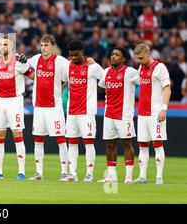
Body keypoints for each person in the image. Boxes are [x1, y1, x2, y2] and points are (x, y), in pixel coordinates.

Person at [0, 34, 33, 180]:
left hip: (15, 101)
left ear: (12, 46)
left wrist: (27, 64)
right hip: (0, 101)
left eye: (6, 44)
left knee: (17, 135)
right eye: (1, 44)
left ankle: (21, 172)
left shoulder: (19, 61)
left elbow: (33, 76)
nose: (3, 47)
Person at [27, 34, 70, 181]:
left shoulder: (60, 61)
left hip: (54, 106)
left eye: (46, 45)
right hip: (39, 106)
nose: (43, 48)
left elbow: (69, 72)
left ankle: (64, 172)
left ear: (52, 46)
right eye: (42, 45)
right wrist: (21, 60)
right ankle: (39, 172)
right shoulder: (36, 59)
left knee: (60, 138)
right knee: (38, 139)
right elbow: (24, 65)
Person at [98, 47, 139, 184]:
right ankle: (111, 176)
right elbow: (102, 87)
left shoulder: (130, 72)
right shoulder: (106, 72)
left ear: (123, 58)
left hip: (124, 115)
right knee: (109, 144)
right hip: (108, 114)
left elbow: (144, 80)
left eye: (117, 55)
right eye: (112, 54)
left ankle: (128, 177)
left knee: (126, 143)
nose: (113, 57)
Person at [65, 40, 103, 182]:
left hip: (87, 112)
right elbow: (62, 80)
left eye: (75, 55)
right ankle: (73, 174)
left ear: (82, 51)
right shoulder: (68, 66)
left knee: (88, 142)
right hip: (71, 111)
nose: (73, 58)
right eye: (71, 55)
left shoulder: (93, 67)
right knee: (72, 143)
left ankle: (89, 174)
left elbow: (105, 80)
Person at [133, 43, 171, 185]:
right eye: (137, 58)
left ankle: (159, 177)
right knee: (142, 145)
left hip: (155, 113)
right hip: (142, 113)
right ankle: (142, 176)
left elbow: (167, 89)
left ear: (148, 54)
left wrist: (163, 109)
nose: (139, 61)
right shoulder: (141, 67)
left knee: (157, 144)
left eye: (141, 58)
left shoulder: (160, 68)